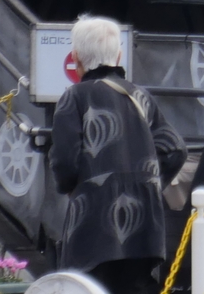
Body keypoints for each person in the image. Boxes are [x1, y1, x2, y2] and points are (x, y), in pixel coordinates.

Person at [51, 16, 188, 294]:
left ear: (75, 58)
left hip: (92, 220)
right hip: (144, 224)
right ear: (119, 56)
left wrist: (72, 186)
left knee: (88, 289)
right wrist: (148, 182)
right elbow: (175, 149)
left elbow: (65, 162)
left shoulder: (74, 97)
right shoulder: (141, 96)